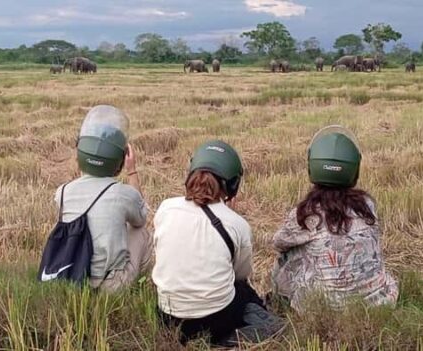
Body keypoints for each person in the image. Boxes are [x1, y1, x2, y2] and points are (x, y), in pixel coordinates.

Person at [153, 140, 283, 346]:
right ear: (233, 185)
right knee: (243, 289)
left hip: (167, 318)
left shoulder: (165, 208)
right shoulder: (236, 224)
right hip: (215, 321)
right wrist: (229, 214)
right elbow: (241, 274)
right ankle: (245, 331)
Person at [271, 126, 398, 311]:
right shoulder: (368, 205)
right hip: (380, 304)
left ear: (311, 167)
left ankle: (279, 303)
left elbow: (278, 243)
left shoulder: (307, 213)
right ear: (355, 171)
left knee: (287, 255)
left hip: (325, 309)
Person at [54, 105, 151, 292]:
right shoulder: (124, 194)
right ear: (120, 159)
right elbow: (141, 219)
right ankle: (139, 288)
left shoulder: (62, 192)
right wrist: (132, 170)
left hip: (73, 280)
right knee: (142, 233)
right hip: (111, 286)